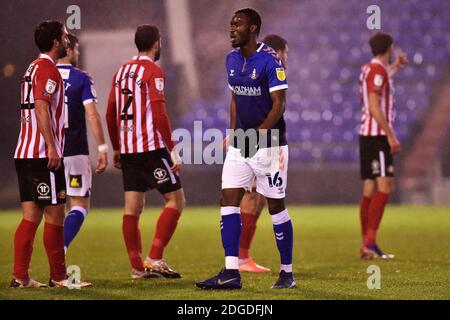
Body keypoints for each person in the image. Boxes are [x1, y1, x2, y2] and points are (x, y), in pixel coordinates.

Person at [196, 8, 296, 290]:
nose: (231, 29)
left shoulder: (270, 60)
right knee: (228, 200)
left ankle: (286, 273)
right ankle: (231, 271)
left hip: (270, 144)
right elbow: (235, 99)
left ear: (253, 29)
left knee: (276, 206)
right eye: (230, 24)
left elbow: (279, 105)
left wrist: (259, 133)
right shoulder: (231, 59)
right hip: (241, 143)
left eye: (237, 24)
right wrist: (233, 133)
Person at [12, 20, 91, 288]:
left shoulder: (31, 67)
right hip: (40, 155)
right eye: (65, 36)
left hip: (24, 152)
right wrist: (51, 145)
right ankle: (59, 277)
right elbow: (42, 107)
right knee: (56, 215)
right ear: (56, 42)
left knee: (31, 216)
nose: (68, 41)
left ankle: (20, 276)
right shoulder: (47, 68)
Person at [106, 24, 186, 280]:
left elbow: (110, 112)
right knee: (176, 200)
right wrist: (172, 149)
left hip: (128, 150)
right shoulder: (153, 71)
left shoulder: (121, 71)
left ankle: (137, 268)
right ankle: (154, 257)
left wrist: (116, 146)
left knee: (132, 208)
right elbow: (159, 113)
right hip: (150, 148)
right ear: (157, 43)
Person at [238, 34, 289, 273]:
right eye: (286, 53)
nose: (287, 58)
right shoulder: (269, 70)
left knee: (255, 197)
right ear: (278, 52)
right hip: (259, 139)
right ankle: (240, 258)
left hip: (255, 138)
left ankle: (241, 257)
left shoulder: (255, 68)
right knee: (252, 197)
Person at [57, 33, 108, 253]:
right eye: (76, 49)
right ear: (68, 50)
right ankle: (61, 253)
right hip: (74, 152)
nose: (78, 53)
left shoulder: (41, 74)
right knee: (78, 205)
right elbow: (93, 115)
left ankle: (23, 272)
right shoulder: (80, 78)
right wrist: (103, 148)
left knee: (52, 210)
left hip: (46, 152)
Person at [359, 32, 408, 260]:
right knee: (385, 185)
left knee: (370, 188)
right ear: (388, 48)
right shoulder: (377, 71)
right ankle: (370, 242)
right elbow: (374, 104)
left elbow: (380, 81)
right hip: (377, 135)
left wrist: (396, 66)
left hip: (367, 135)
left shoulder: (371, 68)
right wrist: (390, 136)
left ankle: (366, 245)